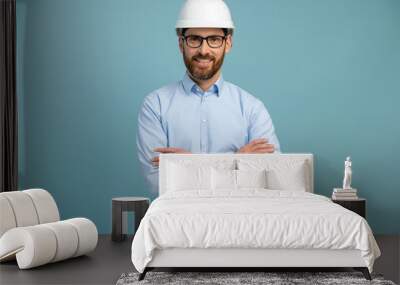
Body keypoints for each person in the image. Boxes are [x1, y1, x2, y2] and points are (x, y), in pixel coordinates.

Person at [136, 0, 280, 194]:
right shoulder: (155, 106)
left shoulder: (252, 109)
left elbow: (268, 181)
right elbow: (159, 184)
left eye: (214, 39)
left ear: (227, 43)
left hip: (240, 222)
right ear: (181, 43)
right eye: (195, 39)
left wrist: (191, 166)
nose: (204, 50)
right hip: (178, 223)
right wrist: (237, 161)